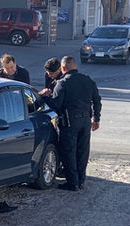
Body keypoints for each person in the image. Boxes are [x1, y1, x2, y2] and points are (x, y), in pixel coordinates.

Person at [39, 56, 101, 191]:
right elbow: (97, 100)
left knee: (69, 151)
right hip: (85, 121)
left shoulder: (62, 83)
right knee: (83, 151)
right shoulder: (88, 80)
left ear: (63, 68)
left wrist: (44, 96)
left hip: (69, 122)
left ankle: (72, 183)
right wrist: (96, 118)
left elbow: (56, 104)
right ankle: (81, 180)